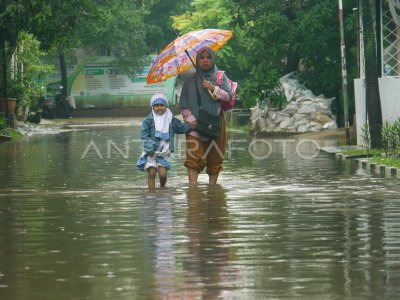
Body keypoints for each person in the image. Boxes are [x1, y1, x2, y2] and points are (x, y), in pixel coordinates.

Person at [179, 46, 232, 184]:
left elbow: (228, 97)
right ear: (197, 60)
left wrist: (213, 88)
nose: (205, 61)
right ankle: (193, 191)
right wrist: (190, 118)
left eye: (208, 58)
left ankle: (213, 190)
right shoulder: (190, 80)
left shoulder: (220, 77)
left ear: (213, 59)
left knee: (215, 158)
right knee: (193, 157)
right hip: (194, 125)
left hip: (215, 123)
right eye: (202, 57)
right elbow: (183, 103)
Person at [137, 93, 190, 190]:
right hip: (151, 150)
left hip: (164, 152)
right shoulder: (148, 120)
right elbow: (144, 135)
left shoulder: (171, 120)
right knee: (152, 173)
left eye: (162, 105)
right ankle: (151, 194)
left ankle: (163, 188)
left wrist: (190, 122)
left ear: (166, 106)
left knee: (162, 174)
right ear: (152, 107)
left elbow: (182, 128)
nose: (159, 108)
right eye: (156, 105)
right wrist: (149, 148)